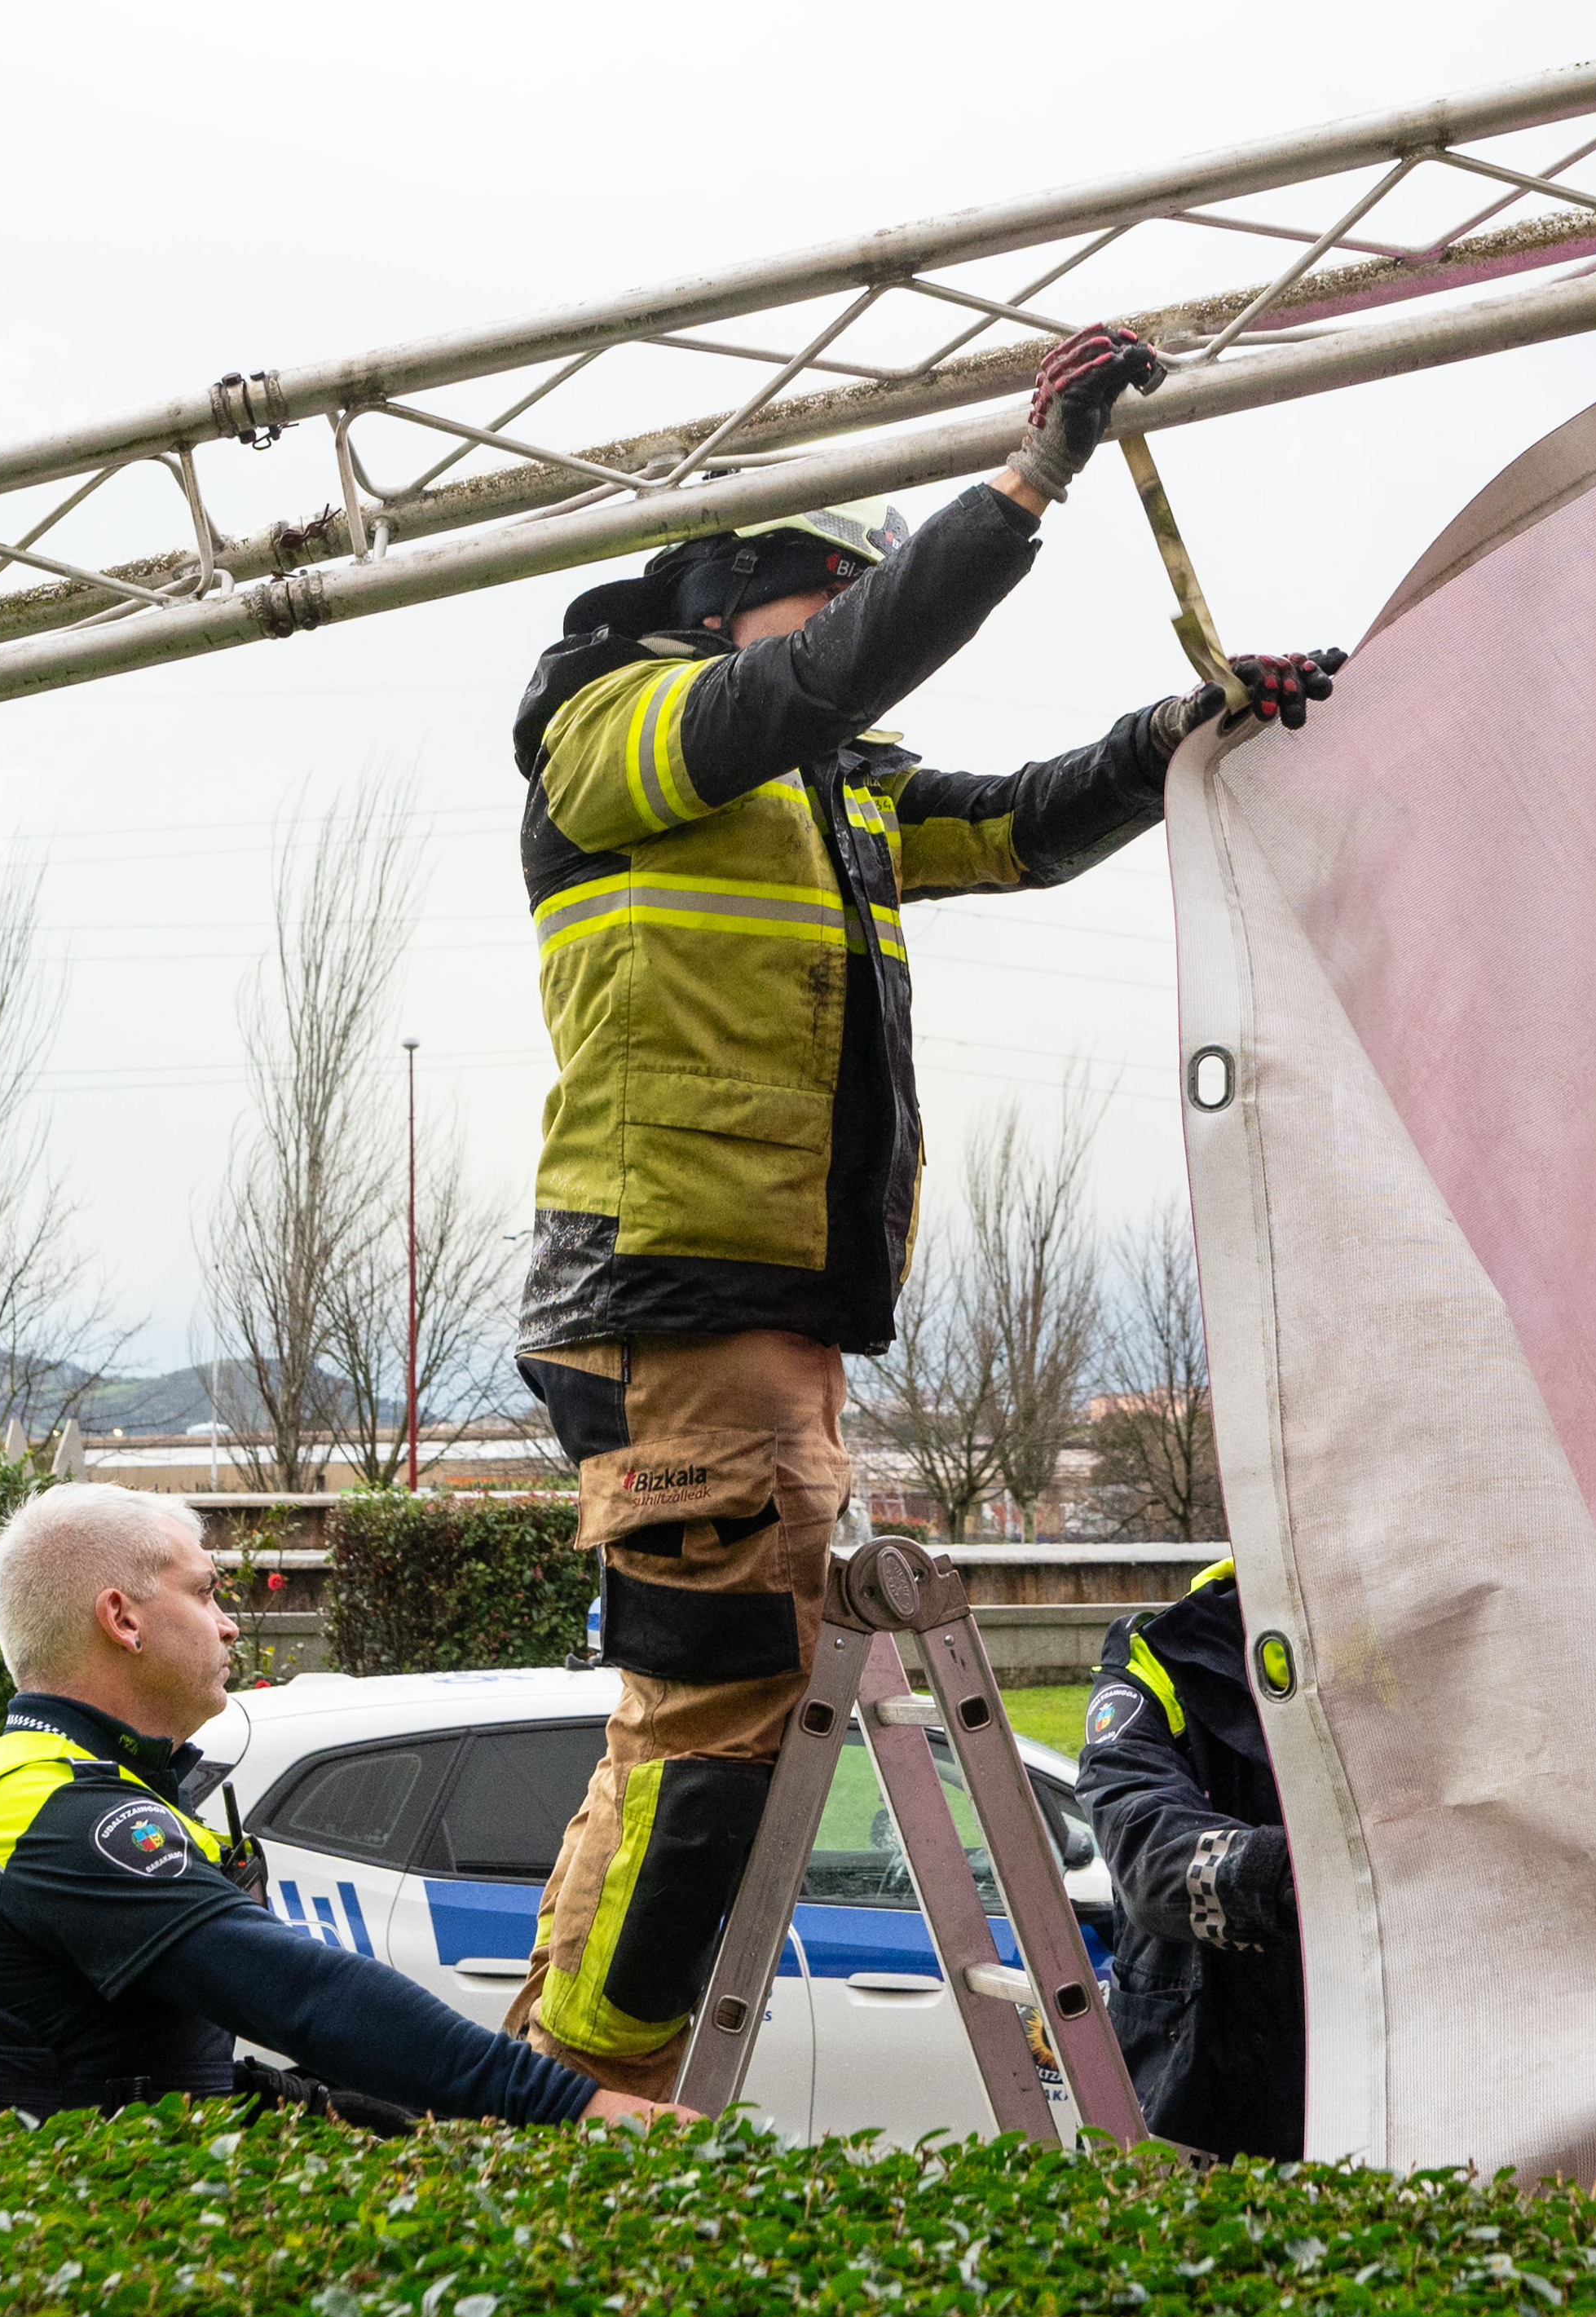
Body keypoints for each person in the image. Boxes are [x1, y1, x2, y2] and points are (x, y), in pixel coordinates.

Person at [497, 320, 1346, 2096]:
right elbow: (799, 694)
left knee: (702, 1717)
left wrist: (1186, 729)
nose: (852, 664)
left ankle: (566, 2066)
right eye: (833, 606)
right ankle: (593, 2092)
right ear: (735, 595)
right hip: (671, 1298)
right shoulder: (618, 733)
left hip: (758, 1313)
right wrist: (1024, 484)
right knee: (719, 1726)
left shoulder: (834, 788)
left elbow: (1023, 821)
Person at [0, 1485, 678, 2129]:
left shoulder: (60, 1787)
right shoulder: (64, 1820)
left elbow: (132, 2066)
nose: (229, 1623)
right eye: (205, 1593)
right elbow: (303, 1995)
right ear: (122, 1618)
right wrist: (579, 2106)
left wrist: (349, 2114)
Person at [1074, 1560, 1302, 2160]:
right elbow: (1148, 1852)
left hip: (1375, 2069)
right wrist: (1307, 1876)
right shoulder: (1156, 1662)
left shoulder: (1403, 1653)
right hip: (1195, 2095)